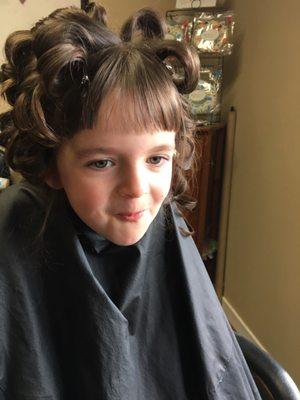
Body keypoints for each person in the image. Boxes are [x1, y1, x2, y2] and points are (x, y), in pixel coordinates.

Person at [0, 4, 262, 400]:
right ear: (51, 161)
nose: (136, 188)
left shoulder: (162, 221)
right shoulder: (14, 226)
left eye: (156, 158)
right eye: (102, 162)